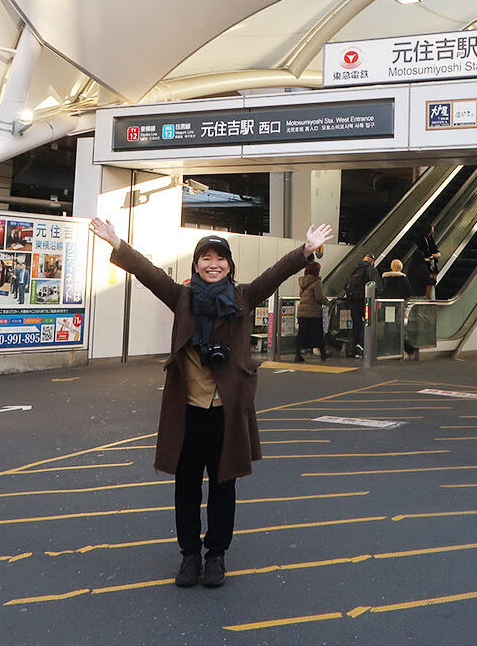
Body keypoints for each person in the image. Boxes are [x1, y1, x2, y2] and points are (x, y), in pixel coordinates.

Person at [89, 216, 333, 589]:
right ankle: (189, 555)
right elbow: (148, 273)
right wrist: (117, 244)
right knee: (186, 487)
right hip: (187, 411)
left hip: (225, 411)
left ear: (230, 266)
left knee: (223, 486)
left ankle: (216, 555)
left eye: (220, 259)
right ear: (196, 265)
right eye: (206, 258)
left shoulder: (242, 297)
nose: (213, 264)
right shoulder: (182, 298)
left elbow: (274, 274)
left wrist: (306, 249)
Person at [381, 259, 418, 359]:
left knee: (388, 326)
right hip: (399, 305)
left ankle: (386, 349)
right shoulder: (403, 278)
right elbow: (409, 292)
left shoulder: (385, 278)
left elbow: (382, 291)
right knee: (397, 327)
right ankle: (404, 349)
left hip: (387, 305)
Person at [345, 253, 378, 357]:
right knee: (368, 323)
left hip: (354, 301)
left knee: (356, 325)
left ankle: (355, 348)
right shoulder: (372, 270)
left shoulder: (354, 270)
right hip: (366, 302)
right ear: (372, 261)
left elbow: (345, 285)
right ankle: (362, 346)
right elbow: (376, 285)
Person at [295, 262, 327, 362]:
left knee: (302, 333)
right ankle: (323, 354)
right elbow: (319, 297)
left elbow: (301, 295)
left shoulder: (302, 282)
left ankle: (297, 355)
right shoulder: (317, 282)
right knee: (318, 334)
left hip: (302, 313)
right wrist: (327, 302)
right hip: (313, 313)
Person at [415, 222, 441, 299]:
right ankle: (428, 297)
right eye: (432, 227)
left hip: (433, 263)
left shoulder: (430, 238)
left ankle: (432, 298)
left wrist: (437, 253)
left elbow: (435, 248)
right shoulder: (422, 238)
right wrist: (433, 255)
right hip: (426, 263)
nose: (433, 229)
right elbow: (424, 250)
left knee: (433, 280)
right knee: (428, 281)